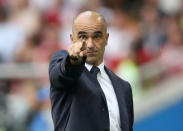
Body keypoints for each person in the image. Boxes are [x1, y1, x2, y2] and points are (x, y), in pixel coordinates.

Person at [49, 11, 134, 131]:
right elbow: (62, 74)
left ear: (106, 38)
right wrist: (73, 63)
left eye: (97, 36)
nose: (89, 44)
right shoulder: (64, 64)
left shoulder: (124, 88)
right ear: (72, 39)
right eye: (83, 37)